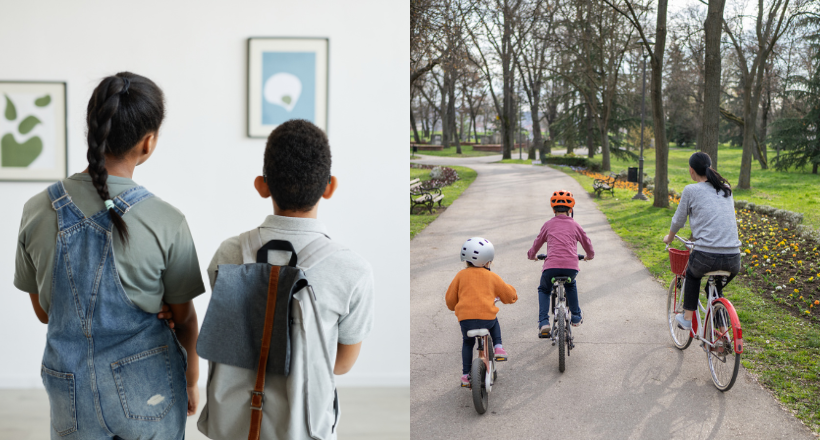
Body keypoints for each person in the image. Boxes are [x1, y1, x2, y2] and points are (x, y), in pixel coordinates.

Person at [14, 72, 205, 439]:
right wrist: (192, 380)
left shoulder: (37, 209)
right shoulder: (167, 220)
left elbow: (44, 312)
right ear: (148, 143)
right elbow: (184, 320)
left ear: (92, 128)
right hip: (147, 390)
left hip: (69, 389)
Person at [197, 119, 375, 439]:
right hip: (303, 429)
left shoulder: (229, 254)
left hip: (234, 426)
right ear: (330, 186)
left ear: (261, 185)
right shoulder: (352, 269)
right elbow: (341, 364)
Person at [663, 152, 741, 330]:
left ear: (691, 171)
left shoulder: (691, 190)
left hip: (706, 256)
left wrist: (669, 238)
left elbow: (677, 221)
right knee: (714, 290)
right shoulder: (726, 189)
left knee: (692, 274)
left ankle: (687, 318)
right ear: (710, 167)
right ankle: (722, 334)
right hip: (733, 259)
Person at [445, 237, 518, 388]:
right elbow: (508, 295)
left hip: (466, 321)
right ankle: (498, 346)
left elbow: (450, 301)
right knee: (494, 321)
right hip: (487, 319)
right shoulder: (492, 276)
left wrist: (454, 306)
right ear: (487, 261)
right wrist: (513, 296)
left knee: (467, 342)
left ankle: (466, 375)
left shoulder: (460, 276)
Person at [527, 190, 594, 337]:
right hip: (571, 268)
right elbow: (587, 243)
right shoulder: (576, 225)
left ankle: (544, 322)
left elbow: (537, 243)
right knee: (571, 284)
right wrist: (589, 256)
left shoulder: (548, 225)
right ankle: (576, 316)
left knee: (544, 289)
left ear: (553, 209)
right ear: (571, 210)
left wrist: (532, 255)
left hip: (551, 268)